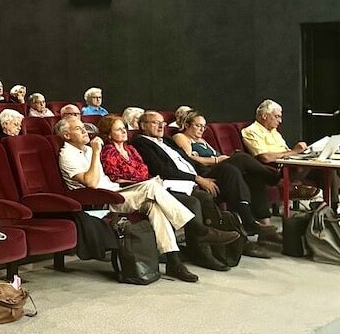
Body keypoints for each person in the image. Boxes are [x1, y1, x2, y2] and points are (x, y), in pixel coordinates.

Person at [55, 116, 236, 283]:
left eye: (83, 127)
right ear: (66, 135)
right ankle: (198, 229)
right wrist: (96, 152)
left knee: (154, 206)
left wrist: (93, 152)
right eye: (78, 128)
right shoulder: (67, 155)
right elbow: (92, 183)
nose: (85, 131)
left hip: (117, 192)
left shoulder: (87, 149)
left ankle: (174, 261)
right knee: (152, 187)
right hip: (101, 200)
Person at [102, 114, 237, 270]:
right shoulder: (109, 151)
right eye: (118, 129)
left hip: (146, 189)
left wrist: (144, 178)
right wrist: (142, 179)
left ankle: (175, 262)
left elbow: (143, 170)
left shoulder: (130, 149)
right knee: (165, 191)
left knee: (183, 201)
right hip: (125, 193)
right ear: (108, 134)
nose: (124, 131)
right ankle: (200, 232)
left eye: (124, 128)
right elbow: (115, 176)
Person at [172, 110, 280, 238]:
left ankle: (263, 226)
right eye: (198, 125)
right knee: (240, 158)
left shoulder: (201, 140)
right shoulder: (181, 137)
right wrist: (217, 160)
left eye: (203, 126)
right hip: (205, 173)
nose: (201, 129)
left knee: (252, 177)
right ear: (187, 125)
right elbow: (189, 158)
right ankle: (275, 179)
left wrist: (223, 158)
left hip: (219, 168)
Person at [241, 99, 327, 200]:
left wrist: (303, 152)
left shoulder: (274, 131)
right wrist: (294, 151)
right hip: (276, 169)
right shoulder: (251, 131)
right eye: (277, 116)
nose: (280, 121)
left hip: (290, 163)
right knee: (321, 169)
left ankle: (332, 204)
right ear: (264, 116)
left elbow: (286, 151)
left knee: (327, 169)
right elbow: (264, 157)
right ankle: (314, 198)